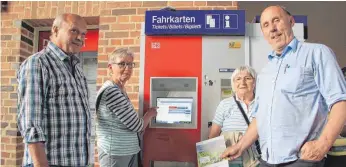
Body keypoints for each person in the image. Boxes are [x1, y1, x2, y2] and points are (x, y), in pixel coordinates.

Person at [221, 5, 346, 167]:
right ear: (264, 33)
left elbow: (340, 102)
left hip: (301, 161)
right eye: (266, 25)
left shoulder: (317, 53)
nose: (272, 28)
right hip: (266, 161)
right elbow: (260, 117)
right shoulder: (266, 72)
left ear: (291, 21)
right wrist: (240, 146)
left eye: (276, 20)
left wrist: (323, 144)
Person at [17, 13, 92, 167]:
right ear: (56, 30)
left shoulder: (76, 68)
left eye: (83, 34)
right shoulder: (38, 63)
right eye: (74, 31)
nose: (80, 37)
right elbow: (30, 123)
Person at [95, 48, 157, 167]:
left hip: (125, 152)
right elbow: (137, 126)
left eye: (130, 64)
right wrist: (150, 113)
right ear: (110, 67)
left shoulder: (119, 89)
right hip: (115, 153)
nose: (127, 68)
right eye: (122, 64)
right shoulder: (112, 91)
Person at [209, 66, 259, 167]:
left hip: (258, 161)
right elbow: (213, 136)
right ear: (233, 84)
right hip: (231, 162)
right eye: (238, 79)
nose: (242, 82)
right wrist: (211, 163)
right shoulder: (224, 104)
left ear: (254, 82)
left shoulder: (263, 103)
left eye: (248, 78)